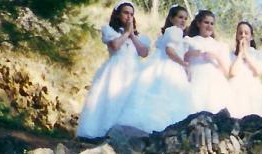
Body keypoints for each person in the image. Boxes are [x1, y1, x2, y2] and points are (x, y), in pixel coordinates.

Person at [76, 2, 149, 139]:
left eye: (131, 14)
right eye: (125, 13)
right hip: (115, 70)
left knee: (129, 101)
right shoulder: (109, 31)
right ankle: (102, 132)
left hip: (133, 71)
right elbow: (115, 45)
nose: (129, 17)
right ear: (117, 14)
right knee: (111, 100)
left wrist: (132, 35)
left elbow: (144, 52)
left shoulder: (138, 37)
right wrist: (127, 32)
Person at [117, 5, 191, 134]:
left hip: (159, 66)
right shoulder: (175, 31)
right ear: (172, 19)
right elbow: (169, 50)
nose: (183, 21)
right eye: (180, 17)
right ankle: (160, 127)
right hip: (170, 67)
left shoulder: (168, 32)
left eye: (185, 18)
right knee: (167, 96)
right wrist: (184, 64)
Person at [184, 10, 232, 116]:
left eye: (212, 23)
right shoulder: (189, 41)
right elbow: (181, 63)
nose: (209, 26)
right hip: (195, 80)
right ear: (198, 23)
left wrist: (217, 57)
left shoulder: (220, 45)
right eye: (206, 22)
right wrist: (189, 54)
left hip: (215, 85)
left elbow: (226, 72)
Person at [226, 21, 262, 118]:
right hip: (235, 90)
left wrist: (246, 55)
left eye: (246, 33)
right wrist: (240, 54)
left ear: (251, 36)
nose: (243, 35)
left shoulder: (259, 55)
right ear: (237, 36)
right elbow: (232, 73)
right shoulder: (230, 55)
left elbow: (257, 71)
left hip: (253, 91)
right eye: (240, 33)